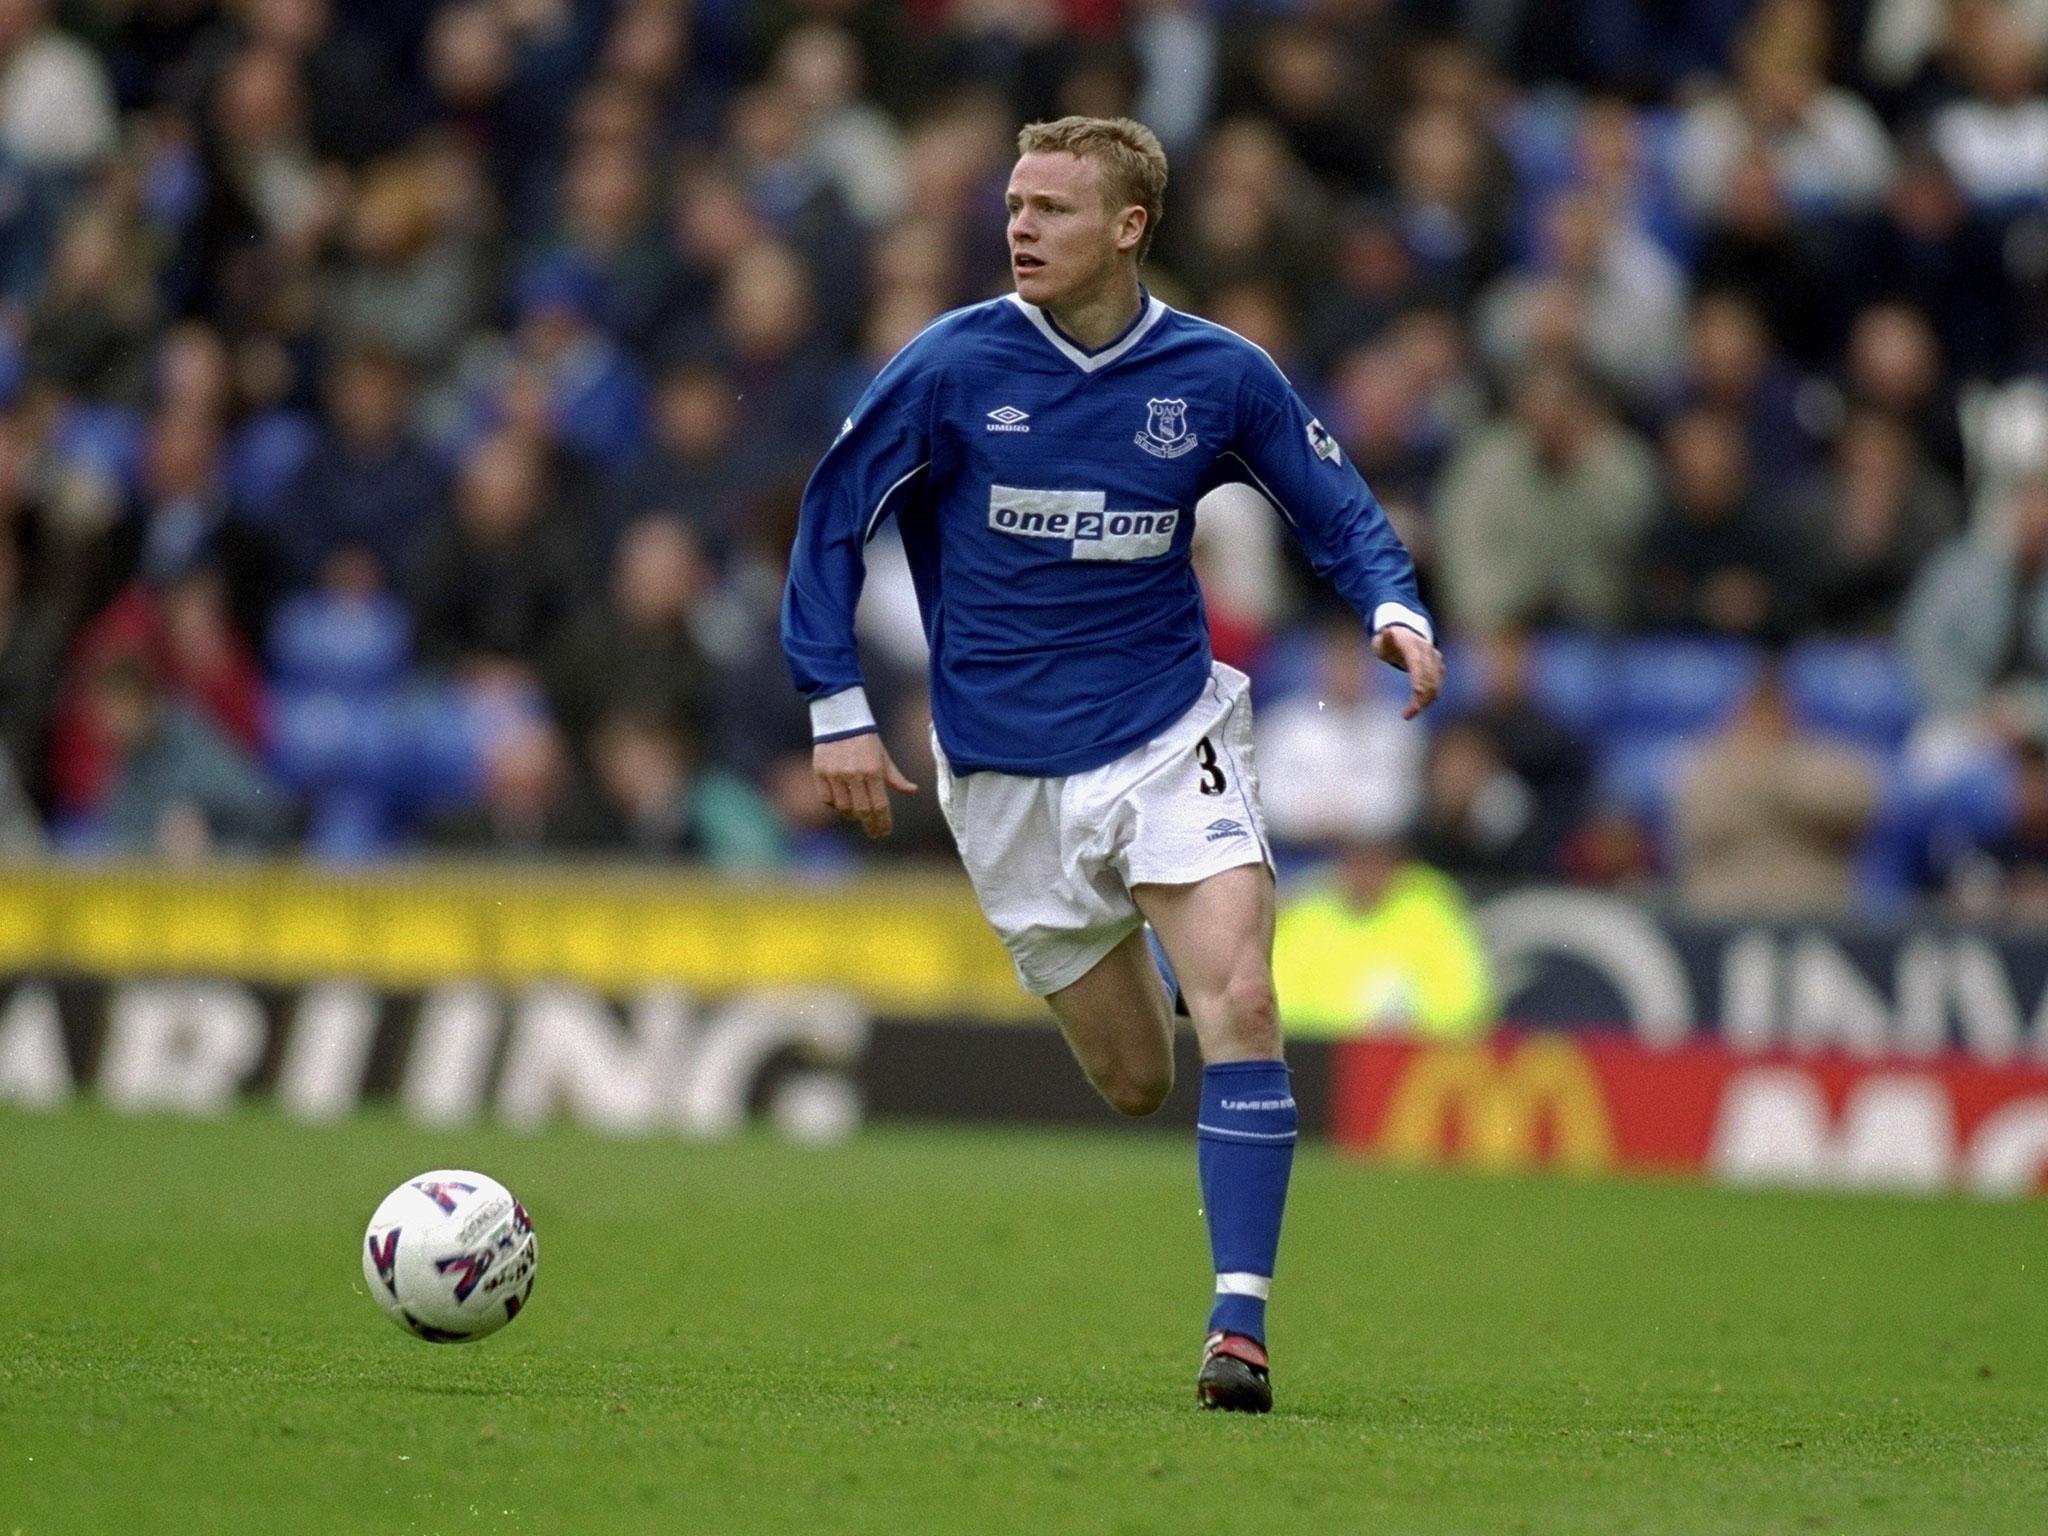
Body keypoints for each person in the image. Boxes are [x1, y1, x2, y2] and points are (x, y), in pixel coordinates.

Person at [780, 116, 1442, 1413]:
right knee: (1136, 1080)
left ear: (1129, 227)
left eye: (1053, 209)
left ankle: (1238, 1326)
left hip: (1163, 729)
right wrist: (834, 704)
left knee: (1243, 1001)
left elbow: (1336, 505)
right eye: (1015, 204)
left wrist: (1395, 608)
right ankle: (1161, 947)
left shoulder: (1216, 374)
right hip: (1004, 775)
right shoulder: (952, 367)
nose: (1020, 226)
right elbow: (829, 521)